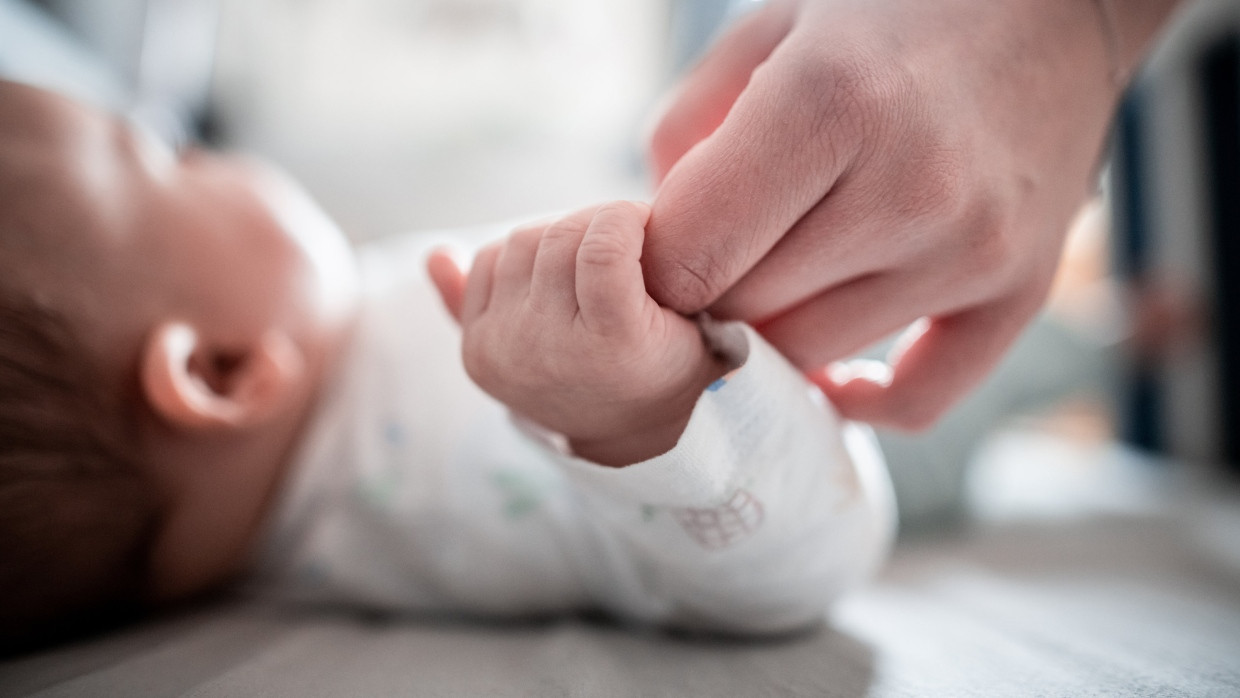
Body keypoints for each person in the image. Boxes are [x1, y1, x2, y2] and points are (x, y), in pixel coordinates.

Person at [0, 81, 894, 653]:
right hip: (837, 424)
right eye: (173, 161)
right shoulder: (428, 485)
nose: (212, 153)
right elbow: (818, 560)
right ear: (223, 373)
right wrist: (649, 415)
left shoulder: (335, 380)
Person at [643, 0, 1189, 430]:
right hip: (868, 415)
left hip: (845, 365)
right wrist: (1072, 29)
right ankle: (1134, 329)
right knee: (1005, 369)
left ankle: (1136, 328)